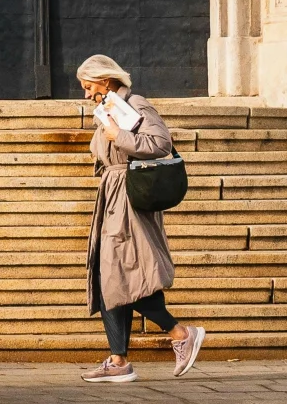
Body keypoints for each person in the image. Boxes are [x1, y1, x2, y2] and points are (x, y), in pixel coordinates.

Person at [77, 54, 206, 384]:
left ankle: (180, 333)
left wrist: (118, 136)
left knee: (127, 275)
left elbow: (161, 143)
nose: (85, 93)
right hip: (113, 197)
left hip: (130, 201)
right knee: (112, 276)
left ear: (106, 81)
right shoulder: (109, 108)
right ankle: (119, 359)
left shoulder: (136, 104)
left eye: (88, 86)